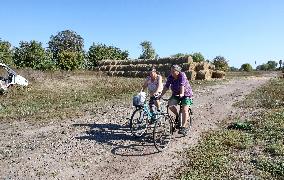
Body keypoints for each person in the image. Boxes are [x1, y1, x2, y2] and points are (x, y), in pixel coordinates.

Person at [159, 64, 193, 135]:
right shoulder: (170, 77)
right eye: (171, 71)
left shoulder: (182, 75)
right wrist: (160, 95)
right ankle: (177, 115)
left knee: (184, 109)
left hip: (186, 94)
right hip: (176, 94)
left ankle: (183, 127)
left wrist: (182, 93)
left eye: (173, 71)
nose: (172, 73)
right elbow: (166, 86)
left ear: (178, 71)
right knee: (170, 105)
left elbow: (182, 85)